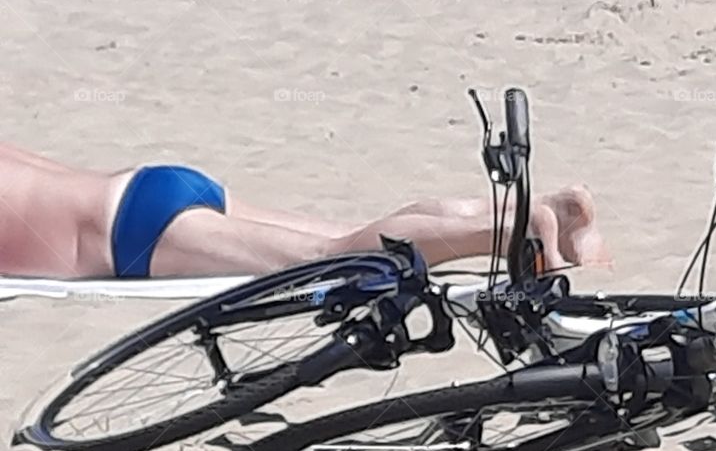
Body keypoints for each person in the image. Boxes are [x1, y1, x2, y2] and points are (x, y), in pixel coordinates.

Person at [0, 143, 607, 279]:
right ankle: (538, 209)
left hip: (132, 233)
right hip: (146, 186)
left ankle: (503, 232)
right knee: (350, 234)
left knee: (332, 258)